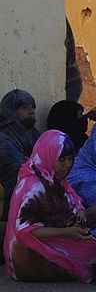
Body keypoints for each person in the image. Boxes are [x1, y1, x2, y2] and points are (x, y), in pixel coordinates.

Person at [4, 130, 96, 282]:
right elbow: (26, 232)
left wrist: (79, 215)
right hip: (29, 256)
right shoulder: (34, 187)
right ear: (49, 156)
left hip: (50, 239)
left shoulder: (50, 178)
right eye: (62, 160)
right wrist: (67, 232)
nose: (68, 165)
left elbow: (74, 202)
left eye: (70, 159)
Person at [0, 89, 41, 218]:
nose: (31, 111)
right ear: (11, 110)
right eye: (25, 107)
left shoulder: (33, 134)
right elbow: (21, 169)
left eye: (33, 107)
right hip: (9, 204)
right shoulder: (3, 138)